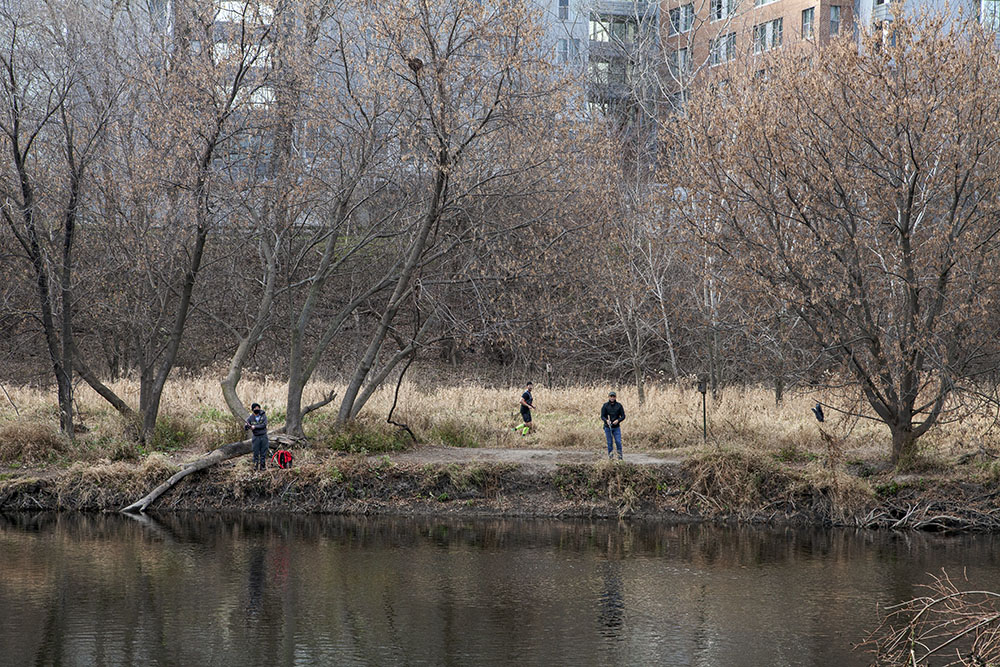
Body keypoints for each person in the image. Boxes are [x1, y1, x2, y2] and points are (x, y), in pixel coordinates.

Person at [601, 391, 625, 460]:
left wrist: (618, 420)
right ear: (609, 397)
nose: (612, 398)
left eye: (613, 396)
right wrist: (606, 420)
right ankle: (610, 458)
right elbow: (602, 416)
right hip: (608, 427)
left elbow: (623, 416)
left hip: (616, 427)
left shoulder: (619, 405)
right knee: (609, 443)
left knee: (618, 442)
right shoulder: (605, 405)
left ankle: (620, 458)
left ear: (615, 397)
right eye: (611, 396)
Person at [245, 403, 269, 470]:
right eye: (255, 408)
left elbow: (264, 425)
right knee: (255, 452)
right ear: (252, 410)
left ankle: (262, 466)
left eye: (258, 408)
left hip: (264, 436)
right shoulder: (250, 418)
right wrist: (247, 426)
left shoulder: (263, 416)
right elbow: (246, 428)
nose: (257, 409)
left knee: (263, 452)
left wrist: (255, 427)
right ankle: (255, 466)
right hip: (256, 437)